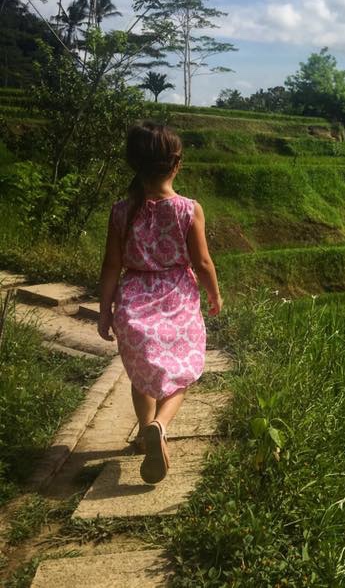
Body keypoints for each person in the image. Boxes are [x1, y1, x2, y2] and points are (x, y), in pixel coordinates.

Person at [97, 121, 222, 484]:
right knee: (183, 371)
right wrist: (214, 293)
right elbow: (202, 262)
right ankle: (160, 425)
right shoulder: (188, 209)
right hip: (178, 297)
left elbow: (111, 266)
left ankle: (143, 431)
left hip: (135, 300)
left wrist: (105, 311)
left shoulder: (121, 210)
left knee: (142, 373)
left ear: (133, 163)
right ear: (177, 163)